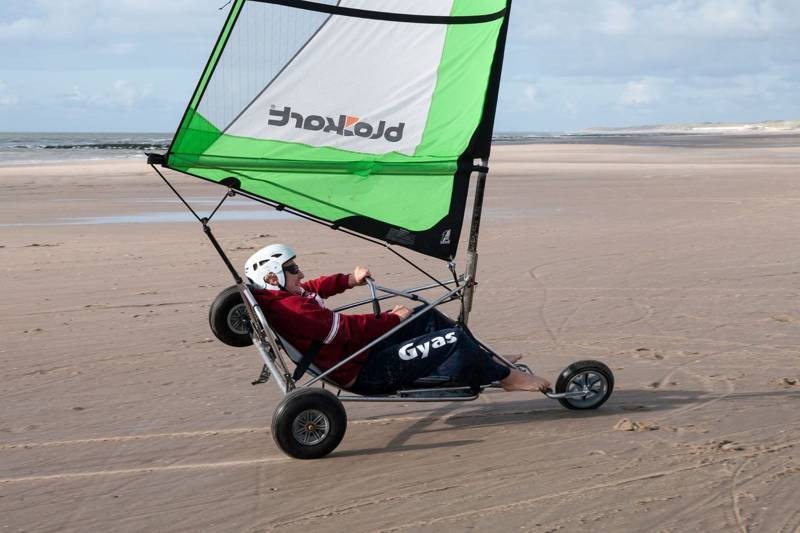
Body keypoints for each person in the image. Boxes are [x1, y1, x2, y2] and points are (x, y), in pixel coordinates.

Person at [246, 244, 551, 394]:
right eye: (292, 268)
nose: (300, 273)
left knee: (425, 314)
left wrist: (348, 279)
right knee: (451, 339)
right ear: (272, 276)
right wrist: (392, 319)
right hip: (363, 371)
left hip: (356, 354)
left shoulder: (281, 298)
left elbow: (312, 288)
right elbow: (347, 330)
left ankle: (487, 358)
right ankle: (506, 378)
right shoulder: (294, 309)